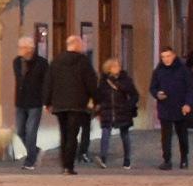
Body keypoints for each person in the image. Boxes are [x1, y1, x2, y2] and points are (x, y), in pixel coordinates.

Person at [45, 33, 98, 174]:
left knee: (64, 133)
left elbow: (49, 82)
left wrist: (47, 102)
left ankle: (64, 164)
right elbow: (91, 82)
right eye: (81, 44)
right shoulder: (83, 61)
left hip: (60, 103)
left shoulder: (56, 61)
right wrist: (95, 99)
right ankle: (69, 166)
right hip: (77, 103)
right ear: (77, 45)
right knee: (72, 134)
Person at [153, 45, 193, 170]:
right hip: (165, 107)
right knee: (166, 136)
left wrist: (188, 104)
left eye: (168, 56)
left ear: (173, 56)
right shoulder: (158, 70)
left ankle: (184, 158)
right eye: (163, 57)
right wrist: (157, 94)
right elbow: (153, 87)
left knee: (182, 135)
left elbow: (191, 88)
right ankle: (167, 160)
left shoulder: (183, 70)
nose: (166, 59)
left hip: (181, 107)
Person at [11, 34, 49, 167]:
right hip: (20, 101)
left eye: (21, 47)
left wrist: (47, 101)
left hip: (35, 102)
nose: (19, 50)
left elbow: (46, 83)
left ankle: (30, 161)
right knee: (20, 131)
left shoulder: (42, 63)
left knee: (31, 131)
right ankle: (36, 151)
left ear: (29, 49)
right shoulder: (17, 61)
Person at [95, 56, 138, 169]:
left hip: (122, 110)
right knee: (105, 133)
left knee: (125, 135)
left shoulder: (126, 80)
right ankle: (103, 158)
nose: (117, 68)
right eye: (114, 66)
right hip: (107, 110)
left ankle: (127, 160)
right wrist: (98, 110)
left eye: (118, 66)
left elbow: (134, 95)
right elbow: (99, 96)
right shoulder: (103, 81)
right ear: (108, 68)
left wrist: (128, 106)